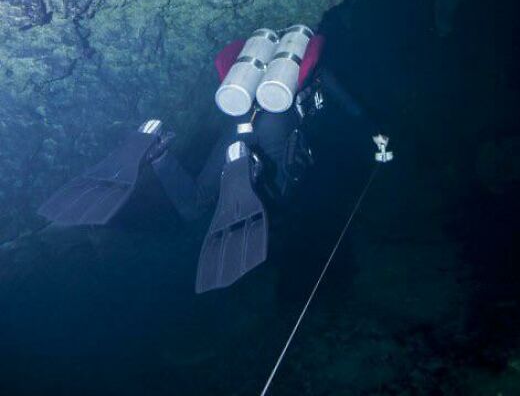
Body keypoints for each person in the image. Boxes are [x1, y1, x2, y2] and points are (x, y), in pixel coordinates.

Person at [38, 25, 380, 293]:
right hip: (277, 124)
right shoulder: (319, 74)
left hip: (241, 114)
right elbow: (353, 109)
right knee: (280, 193)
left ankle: (157, 150)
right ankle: (245, 168)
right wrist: (377, 134)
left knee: (194, 206)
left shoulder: (258, 69)